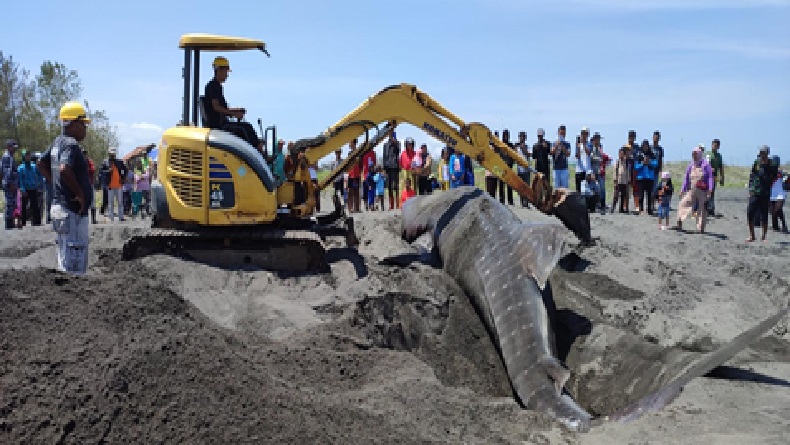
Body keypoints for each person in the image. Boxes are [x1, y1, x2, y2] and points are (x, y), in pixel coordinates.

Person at [37, 101, 94, 275]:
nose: (85, 128)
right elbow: (64, 169)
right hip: (72, 211)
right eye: (83, 123)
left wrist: (56, 184)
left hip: (60, 208)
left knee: (65, 257)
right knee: (74, 265)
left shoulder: (57, 142)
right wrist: (80, 194)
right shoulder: (70, 144)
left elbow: (41, 163)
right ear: (73, 123)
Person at [204, 56, 265, 153]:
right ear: (218, 70)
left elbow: (223, 108)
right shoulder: (212, 86)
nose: (227, 75)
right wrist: (234, 114)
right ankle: (258, 152)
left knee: (244, 130)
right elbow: (216, 107)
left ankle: (255, 149)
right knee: (246, 128)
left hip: (221, 122)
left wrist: (236, 110)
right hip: (219, 124)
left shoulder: (217, 87)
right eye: (226, 71)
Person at [675, 146, 713, 233]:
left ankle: (700, 228)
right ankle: (679, 221)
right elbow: (686, 179)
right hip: (692, 189)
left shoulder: (706, 165)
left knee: (702, 209)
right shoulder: (691, 165)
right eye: (693, 154)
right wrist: (682, 190)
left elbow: (710, 177)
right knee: (683, 204)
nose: (694, 156)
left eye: (695, 154)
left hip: (703, 190)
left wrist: (710, 189)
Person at [747, 145, 779, 242]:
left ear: (767, 153)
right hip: (755, 191)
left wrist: (769, 183)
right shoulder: (756, 162)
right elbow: (752, 175)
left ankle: (764, 237)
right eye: (760, 152)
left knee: (764, 214)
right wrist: (750, 189)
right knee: (750, 212)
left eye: (763, 152)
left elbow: (775, 175)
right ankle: (752, 235)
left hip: (765, 192)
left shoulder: (772, 164)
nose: (761, 154)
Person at [17, 149, 43, 227]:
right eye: (26, 155)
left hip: (33, 188)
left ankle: (36, 221)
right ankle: (23, 221)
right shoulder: (20, 168)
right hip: (25, 188)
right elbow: (20, 180)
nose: (27, 157)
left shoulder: (34, 166)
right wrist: (22, 189)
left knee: (35, 205)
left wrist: (39, 183)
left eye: (28, 155)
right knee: (24, 206)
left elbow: (40, 174)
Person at [101, 148, 127, 222]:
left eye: (114, 154)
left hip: (119, 185)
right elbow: (101, 172)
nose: (113, 155)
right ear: (109, 154)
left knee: (120, 202)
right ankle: (111, 217)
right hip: (110, 186)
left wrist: (123, 178)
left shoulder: (120, 162)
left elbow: (125, 170)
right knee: (110, 202)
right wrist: (108, 171)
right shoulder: (105, 162)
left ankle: (121, 217)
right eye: (111, 154)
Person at [635, 140, 658, 215]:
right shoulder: (639, 155)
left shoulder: (652, 155)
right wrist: (642, 163)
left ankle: (649, 210)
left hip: (650, 178)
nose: (645, 147)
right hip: (641, 178)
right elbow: (636, 167)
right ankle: (641, 209)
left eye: (646, 146)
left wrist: (649, 163)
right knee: (641, 195)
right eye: (644, 146)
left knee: (649, 195)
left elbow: (655, 164)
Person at [1, 139, 19, 229]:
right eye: (13, 147)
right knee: (9, 203)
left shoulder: (10, 156)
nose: (14, 149)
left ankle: (10, 222)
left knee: (12, 203)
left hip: (9, 183)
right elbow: (7, 172)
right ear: (8, 147)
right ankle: (9, 223)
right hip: (9, 184)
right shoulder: (7, 157)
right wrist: (11, 183)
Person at [705, 139, 725, 217]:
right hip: (706, 176)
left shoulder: (719, 156)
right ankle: (705, 209)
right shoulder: (707, 154)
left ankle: (711, 209)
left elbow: (721, 167)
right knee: (706, 192)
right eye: (713, 145)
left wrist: (722, 178)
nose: (714, 147)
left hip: (714, 176)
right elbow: (705, 164)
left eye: (716, 145)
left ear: (718, 147)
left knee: (712, 192)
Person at [382, 131, 401, 210]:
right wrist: (384, 169)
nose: (390, 135)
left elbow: (398, 151)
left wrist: (395, 143)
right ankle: (391, 205)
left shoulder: (398, 143)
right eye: (389, 134)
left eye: (391, 134)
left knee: (396, 186)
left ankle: (397, 204)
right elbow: (384, 157)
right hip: (388, 167)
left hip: (395, 167)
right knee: (389, 186)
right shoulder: (385, 145)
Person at [591, 132, 609, 211]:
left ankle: (602, 204)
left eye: (598, 139)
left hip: (600, 170)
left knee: (602, 188)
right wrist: (600, 159)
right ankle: (595, 204)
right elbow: (591, 157)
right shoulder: (591, 147)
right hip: (593, 170)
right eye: (596, 139)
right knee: (595, 188)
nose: (597, 141)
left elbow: (602, 157)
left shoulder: (600, 148)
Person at [611, 147, 630, 214]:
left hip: (624, 182)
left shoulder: (627, 162)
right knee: (616, 195)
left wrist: (628, 180)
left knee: (623, 195)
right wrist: (615, 180)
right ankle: (612, 208)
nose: (621, 155)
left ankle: (621, 208)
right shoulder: (617, 162)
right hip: (618, 181)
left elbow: (628, 172)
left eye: (622, 154)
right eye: (620, 154)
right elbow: (615, 171)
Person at [515, 131, 531, 208]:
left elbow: (529, 154)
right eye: (521, 136)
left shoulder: (527, 146)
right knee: (521, 187)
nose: (522, 138)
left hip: (526, 170)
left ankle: (526, 202)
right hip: (520, 170)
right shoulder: (516, 147)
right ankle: (522, 202)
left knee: (527, 186)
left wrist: (523, 148)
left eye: (523, 137)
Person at [82, 148, 98, 224]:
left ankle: (93, 219)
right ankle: (83, 220)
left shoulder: (89, 161)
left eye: (85, 153)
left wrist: (86, 168)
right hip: (81, 185)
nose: (84, 155)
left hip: (90, 184)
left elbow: (93, 170)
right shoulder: (79, 162)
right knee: (82, 202)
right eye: (82, 153)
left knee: (92, 201)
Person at [346, 138, 361, 213]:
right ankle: (350, 208)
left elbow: (360, 164)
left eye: (350, 142)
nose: (349, 144)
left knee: (356, 192)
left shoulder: (359, 152)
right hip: (350, 175)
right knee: (350, 192)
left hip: (357, 175)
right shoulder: (349, 154)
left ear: (354, 143)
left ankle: (357, 208)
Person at [575, 127, 591, 192]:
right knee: (578, 191)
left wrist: (584, 144)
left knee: (586, 190)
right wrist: (578, 147)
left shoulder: (590, 144)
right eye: (583, 133)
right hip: (579, 170)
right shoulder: (578, 145)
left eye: (585, 133)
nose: (584, 135)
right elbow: (577, 156)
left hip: (587, 171)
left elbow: (588, 152)